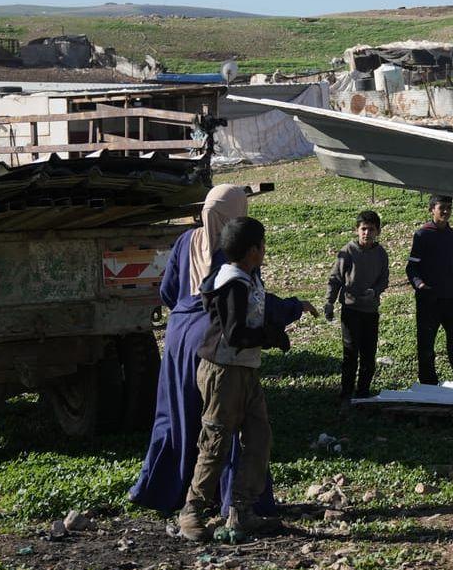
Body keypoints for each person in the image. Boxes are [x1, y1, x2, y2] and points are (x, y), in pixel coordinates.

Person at [129, 185, 280, 520]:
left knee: (179, 416)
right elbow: (252, 306)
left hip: (178, 338)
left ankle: (170, 491)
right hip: (216, 342)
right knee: (225, 425)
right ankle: (226, 504)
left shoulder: (186, 240)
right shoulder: (238, 250)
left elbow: (168, 291)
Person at [179, 216, 315, 541]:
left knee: (258, 436)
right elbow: (235, 333)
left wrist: (294, 307)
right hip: (223, 372)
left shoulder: (246, 278)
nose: (265, 250)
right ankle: (191, 513)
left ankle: (241, 511)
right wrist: (271, 337)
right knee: (215, 442)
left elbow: (264, 306)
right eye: (263, 245)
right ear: (253, 250)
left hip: (245, 370)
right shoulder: (233, 284)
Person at [325, 209, 390, 403]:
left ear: (378, 231)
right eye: (363, 229)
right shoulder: (348, 251)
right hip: (351, 310)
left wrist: (375, 291)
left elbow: (384, 279)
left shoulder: (381, 253)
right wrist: (329, 302)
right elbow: (335, 278)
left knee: (369, 355)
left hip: (370, 311)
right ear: (357, 230)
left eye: (371, 229)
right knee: (350, 353)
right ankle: (346, 393)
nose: (367, 233)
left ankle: (363, 394)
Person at [407, 194, 453, 384]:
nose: (446, 211)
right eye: (442, 207)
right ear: (431, 209)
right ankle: (428, 383)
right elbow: (411, 268)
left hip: (451, 298)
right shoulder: (422, 235)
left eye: (449, 207)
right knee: (426, 345)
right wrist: (420, 285)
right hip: (428, 299)